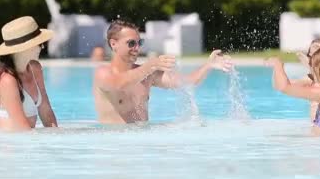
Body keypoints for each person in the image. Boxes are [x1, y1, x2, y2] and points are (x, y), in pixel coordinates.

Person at [93, 19, 234, 124]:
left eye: (139, 43)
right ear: (113, 44)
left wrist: (208, 65)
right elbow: (120, 84)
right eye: (131, 43)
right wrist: (151, 65)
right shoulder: (103, 74)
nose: (137, 48)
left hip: (142, 145)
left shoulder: (148, 75)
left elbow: (188, 82)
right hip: (114, 148)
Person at [0, 16, 58, 131]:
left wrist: (58, 136)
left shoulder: (35, 69)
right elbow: (21, 128)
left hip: (29, 141)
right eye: (39, 43)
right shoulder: (7, 80)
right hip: (13, 145)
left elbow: (46, 111)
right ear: (24, 48)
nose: (42, 47)